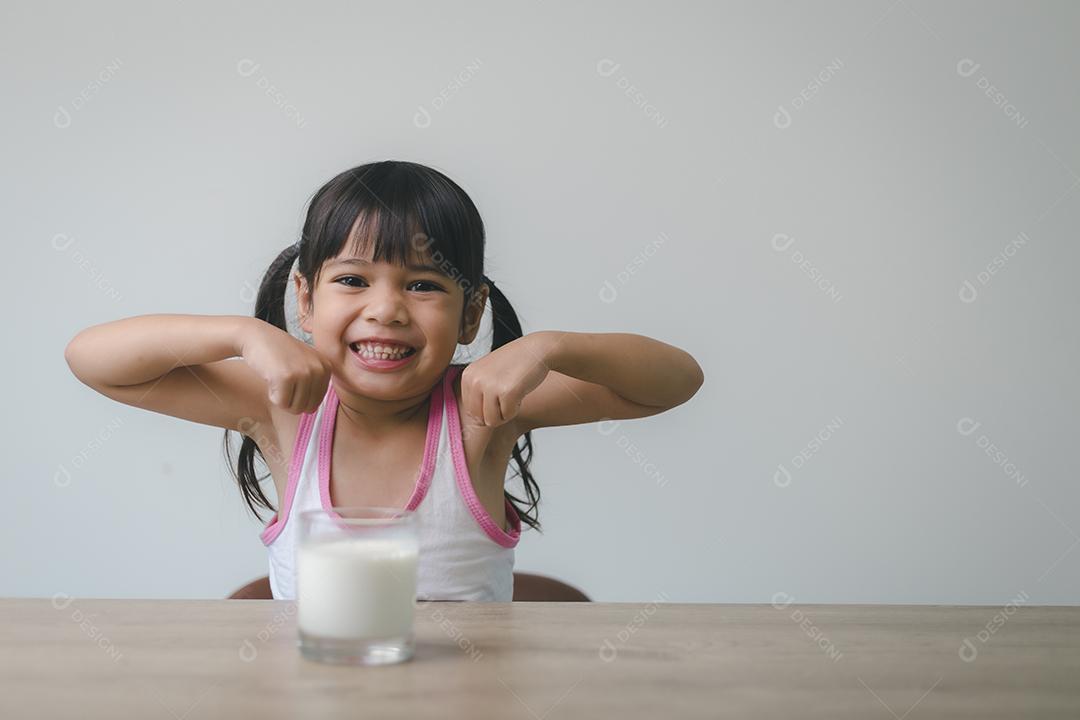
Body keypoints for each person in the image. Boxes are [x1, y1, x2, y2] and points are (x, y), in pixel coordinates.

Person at [64, 160, 705, 600]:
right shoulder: (283, 410)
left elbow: (676, 381)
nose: (387, 309)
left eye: (423, 285)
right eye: (352, 280)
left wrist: (550, 346)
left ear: (471, 314)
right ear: (305, 301)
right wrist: (241, 335)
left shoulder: (484, 412)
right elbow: (92, 359)